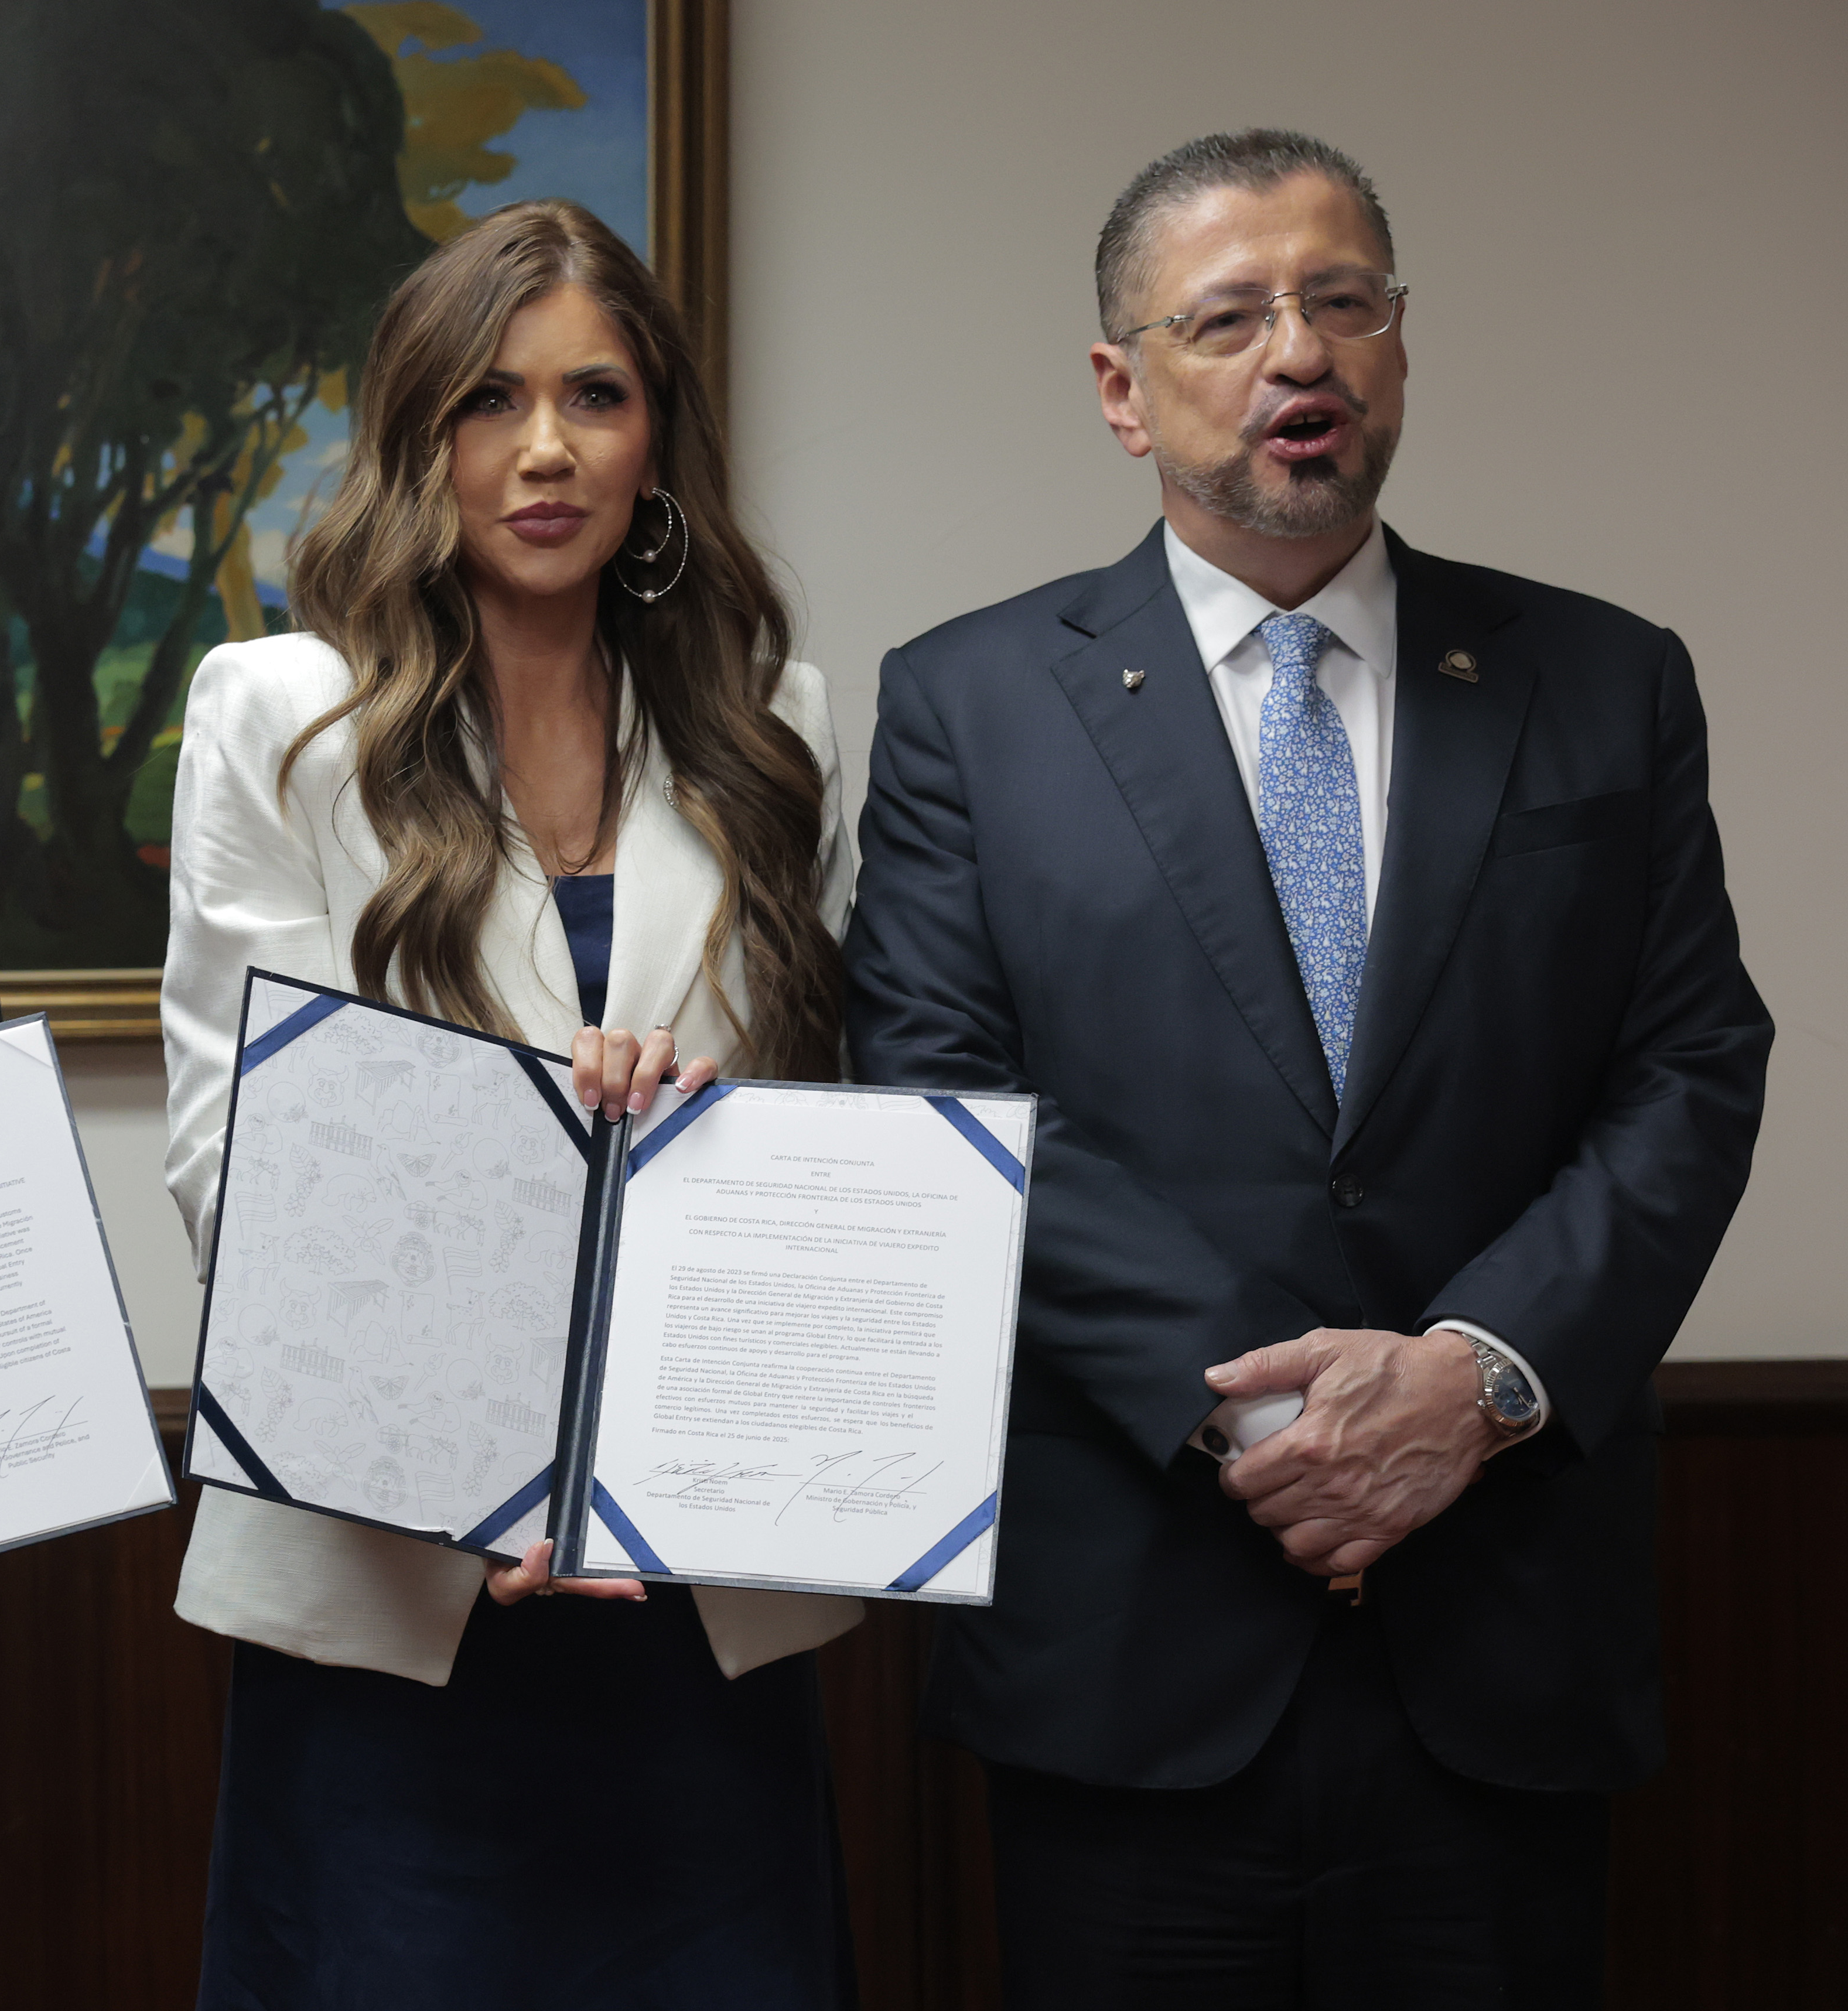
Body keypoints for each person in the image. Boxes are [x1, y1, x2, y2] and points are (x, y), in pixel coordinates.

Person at [842, 131, 1773, 2007]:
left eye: (1344, 301)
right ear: (1123, 387)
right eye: (1233, 314)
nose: (1302, 353)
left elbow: (1689, 1065)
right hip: (1133, 1655)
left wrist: (1473, 1378)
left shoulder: (1604, 680)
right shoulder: (968, 701)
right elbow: (939, 1097)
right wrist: (1286, 1431)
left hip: (1502, 1637)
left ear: (1402, 349)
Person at [160, 200, 861, 2009]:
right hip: (396, 1591)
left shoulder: (776, 724)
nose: (544, 449)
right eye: (487, 400)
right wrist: (462, 1469)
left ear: (657, 440)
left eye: (595, 395)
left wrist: (720, 1114)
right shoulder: (280, 714)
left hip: (700, 1589)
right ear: (417, 437)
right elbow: (236, 1149)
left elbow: (824, 1134)